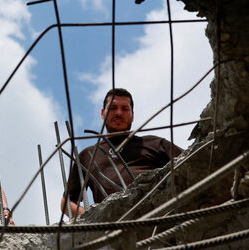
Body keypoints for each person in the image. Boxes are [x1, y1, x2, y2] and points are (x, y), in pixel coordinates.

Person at [61, 88, 182, 217]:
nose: (118, 113)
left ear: (132, 115)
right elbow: (67, 202)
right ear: (103, 113)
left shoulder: (156, 144)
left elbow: (191, 160)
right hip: (114, 226)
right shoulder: (88, 155)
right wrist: (92, 219)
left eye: (125, 109)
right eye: (113, 108)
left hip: (157, 215)